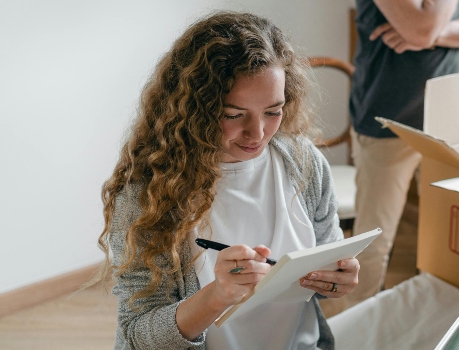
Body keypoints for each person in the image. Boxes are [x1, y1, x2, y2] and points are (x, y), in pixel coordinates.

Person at [93, 12, 356, 350]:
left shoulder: (305, 163)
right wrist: (215, 297)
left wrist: (336, 280)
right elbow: (137, 335)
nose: (258, 133)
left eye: (273, 111)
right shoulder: (148, 193)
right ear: (195, 109)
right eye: (234, 115)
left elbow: (326, 264)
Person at [320, 0, 459, 316]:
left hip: (451, 119)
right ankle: (355, 325)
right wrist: (432, 32)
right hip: (388, 120)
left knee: (445, 239)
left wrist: (440, 33)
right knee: (373, 243)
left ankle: (424, 322)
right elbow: (422, 28)